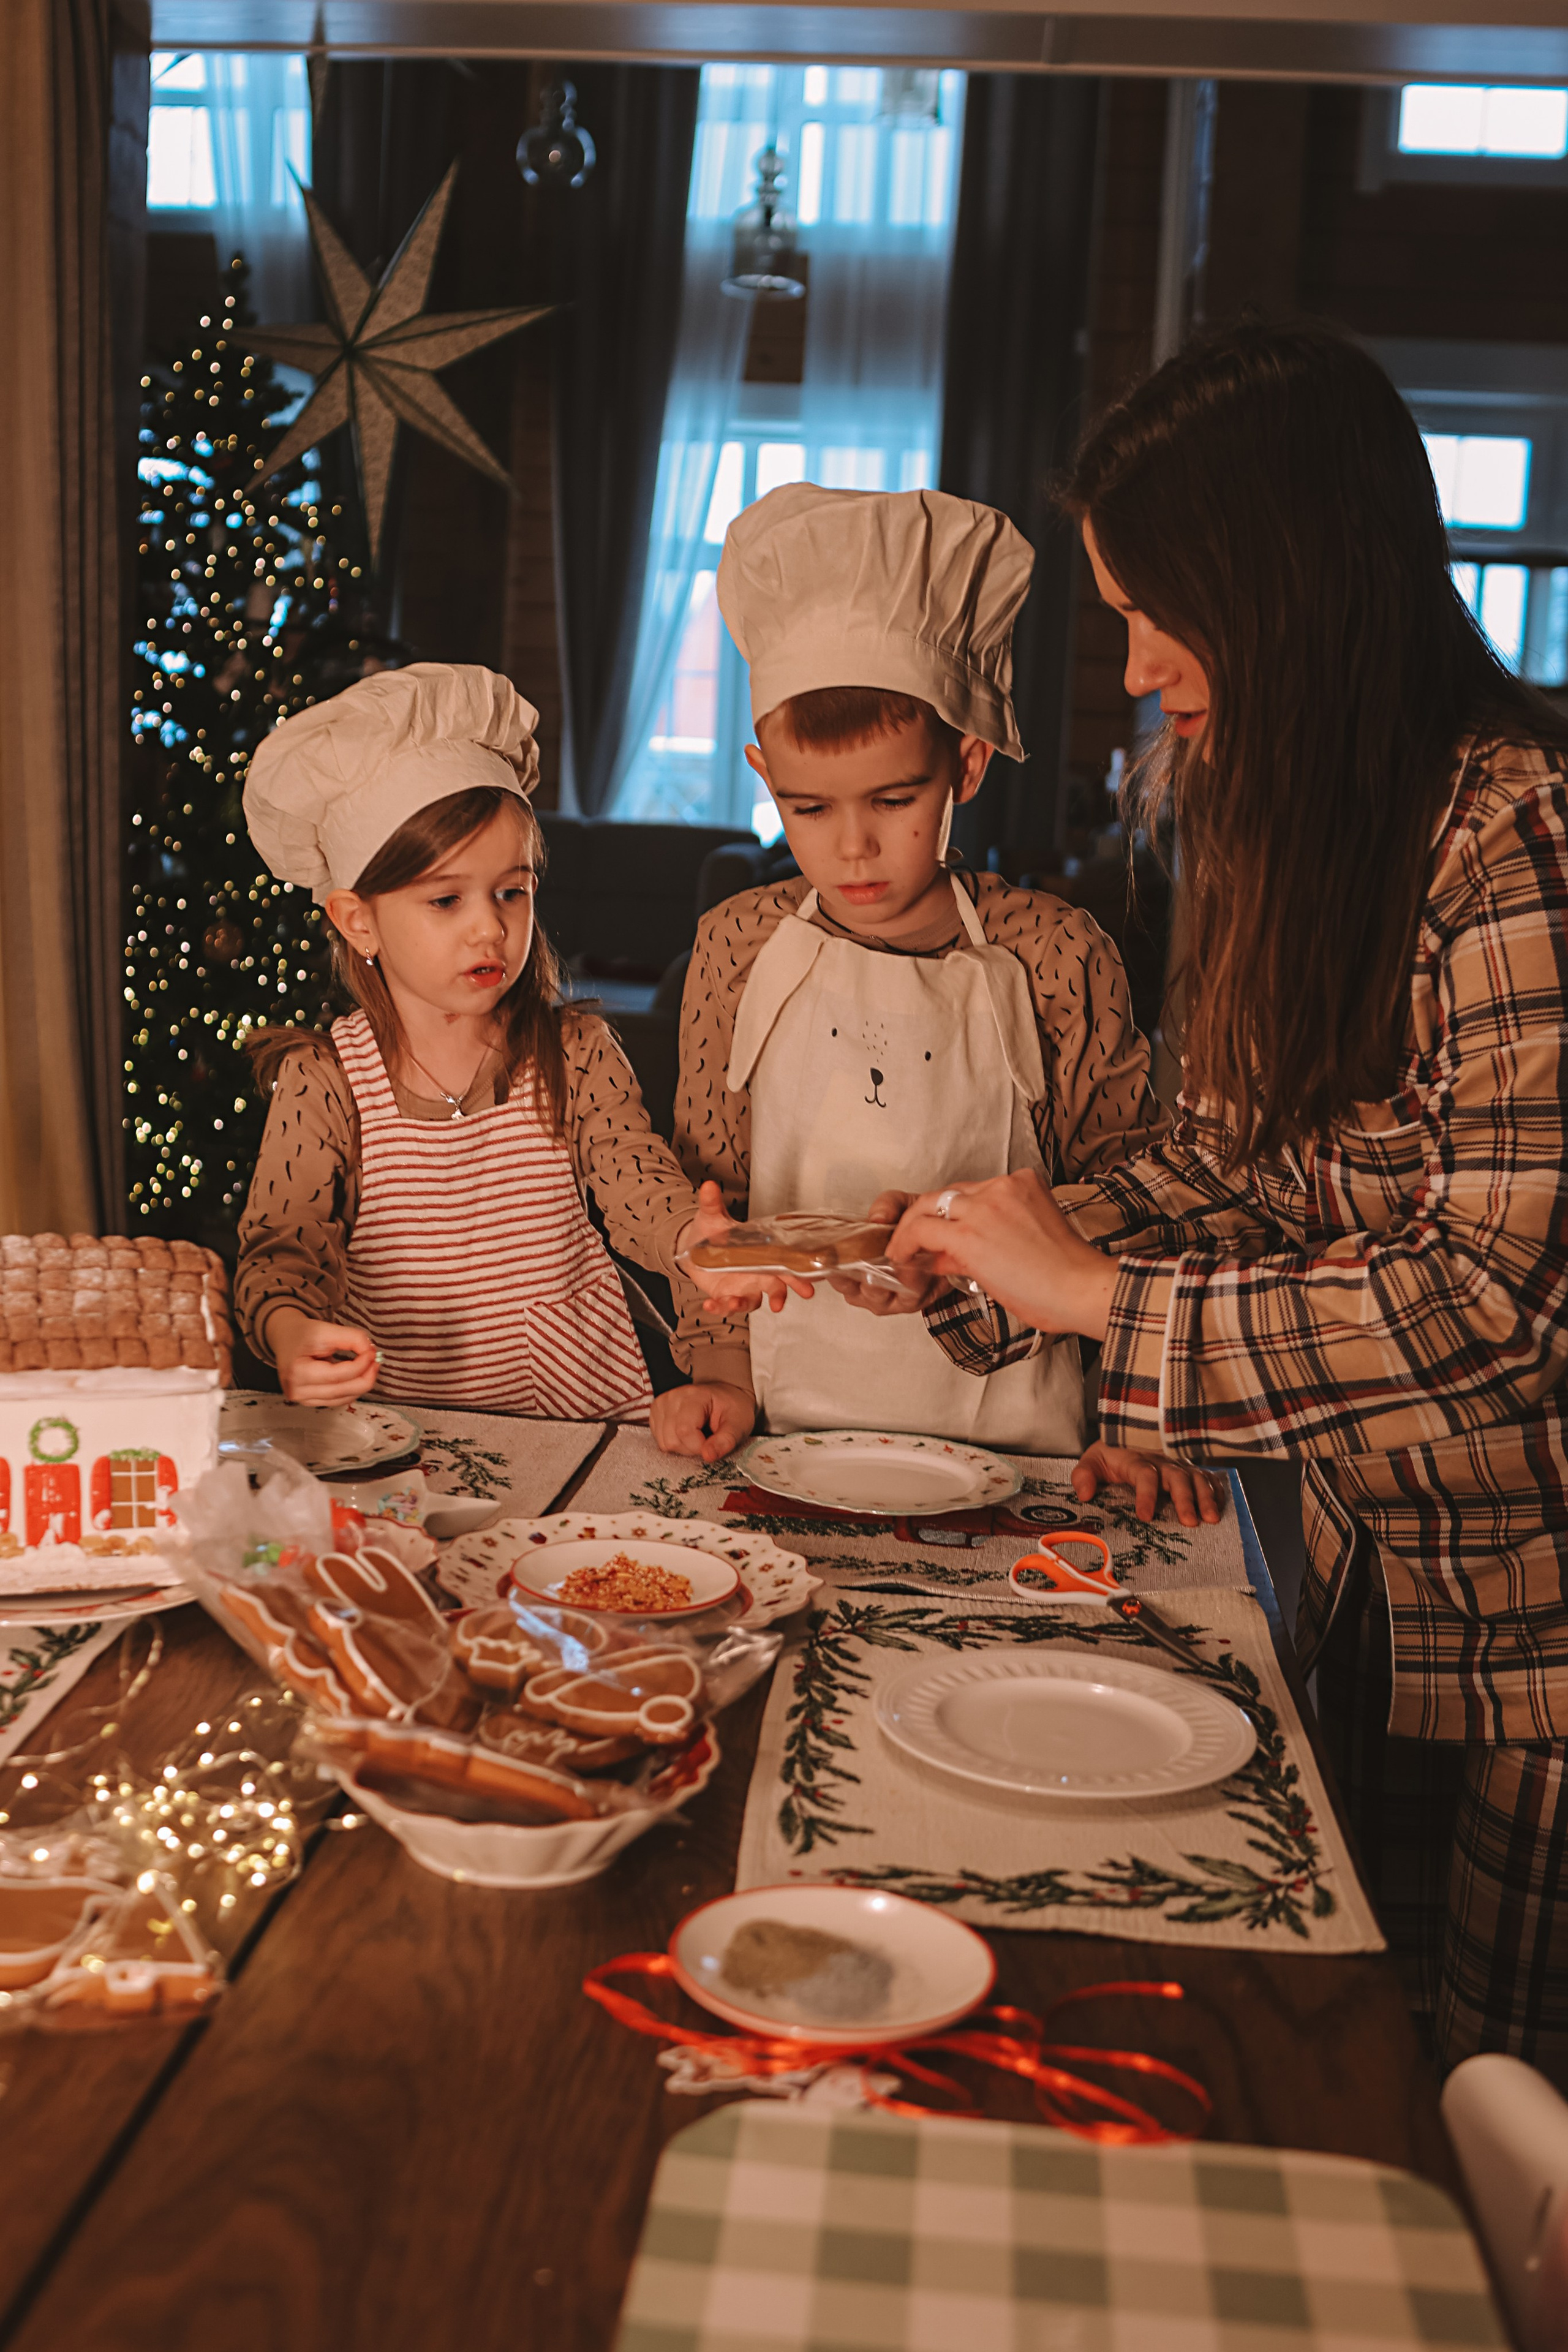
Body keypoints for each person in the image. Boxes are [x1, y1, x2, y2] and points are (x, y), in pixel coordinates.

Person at [884, 320, 1568, 2082]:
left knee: (1490, 2130)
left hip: (1542, 1648)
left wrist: (1099, 1303)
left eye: (1149, 610)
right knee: (1341, 2050)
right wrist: (984, 1252)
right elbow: (1232, 1159)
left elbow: (1490, 1306)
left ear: (1280, 583)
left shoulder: (1523, 844)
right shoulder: (1303, 816)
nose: (1130, 669)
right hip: (1371, 1596)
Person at [653, 482, 1216, 1529]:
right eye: (807, 807)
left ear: (966, 764)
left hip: (1020, 1452)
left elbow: (1136, 1206)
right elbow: (711, 1192)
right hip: (783, 1439)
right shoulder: (736, 946)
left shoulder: (1055, 954)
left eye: (895, 801)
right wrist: (720, 1371)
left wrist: (1137, 1426)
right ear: (760, 773)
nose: (852, 847)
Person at [235, 663, 710, 1421]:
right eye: (446, 899)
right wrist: (290, 1332)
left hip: (580, 1410)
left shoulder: (577, 1051)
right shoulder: (326, 1081)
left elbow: (636, 1185)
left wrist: (693, 1237)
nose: (489, 926)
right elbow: (284, 1248)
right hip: (405, 1429)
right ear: (359, 921)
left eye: (511, 892)